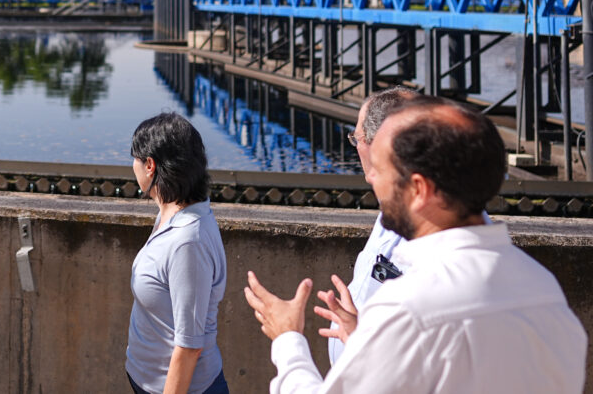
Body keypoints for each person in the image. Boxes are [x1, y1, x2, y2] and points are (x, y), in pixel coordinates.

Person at [244, 97, 587, 393]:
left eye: (380, 170)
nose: (371, 179)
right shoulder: (544, 289)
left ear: (419, 190)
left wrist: (288, 340)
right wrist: (369, 344)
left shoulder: (408, 311)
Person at [125, 113, 228, 394]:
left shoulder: (188, 241)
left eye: (135, 158)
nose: (131, 166)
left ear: (150, 165)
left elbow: (189, 345)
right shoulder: (171, 212)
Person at [323, 86, 417, 364]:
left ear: (379, 146)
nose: (357, 148)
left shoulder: (427, 230)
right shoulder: (389, 210)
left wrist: (288, 341)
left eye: (357, 138)